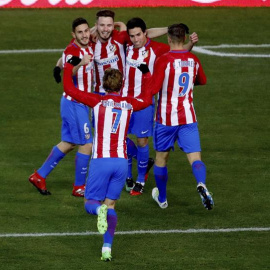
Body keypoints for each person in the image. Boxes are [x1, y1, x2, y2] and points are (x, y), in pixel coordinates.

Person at [63, 56, 153, 261]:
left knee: (90, 203)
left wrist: (69, 65)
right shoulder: (130, 103)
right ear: (122, 85)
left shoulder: (96, 100)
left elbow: (69, 88)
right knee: (111, 206)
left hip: (101, 161)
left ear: (103, 84)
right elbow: (148, 98)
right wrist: (146, 73)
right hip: (121, 163)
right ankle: (106, 249)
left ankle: (99, 210)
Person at [141, 23, 214, 210]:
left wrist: (146, 72)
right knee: (195, 158)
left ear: (168, 39)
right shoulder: (193, 60)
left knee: (161, 158)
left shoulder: (163, 61)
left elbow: (152, 89)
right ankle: (201, 183)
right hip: (188, 118)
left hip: (166, 120)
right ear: (184, 39)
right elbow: (202, 80)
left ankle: (163, 199)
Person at [122, 17, 198, 196]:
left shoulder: (157, 49)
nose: (135, 39)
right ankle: (128, 176)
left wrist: (190, 43)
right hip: (124, 102)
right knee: (121, 141)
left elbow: (180, 51)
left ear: (145, 33)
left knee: (142, 141)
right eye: (132, 36)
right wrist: (170, 27)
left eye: (138, 35)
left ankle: (140, 179)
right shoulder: (126, 46)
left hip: (145, 103)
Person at [29, 18, 94, 197]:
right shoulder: (73, 51)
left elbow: (62, 60)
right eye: (80, 32)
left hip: (74, 103)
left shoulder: (87, 44)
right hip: (75, 103)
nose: (84, 34)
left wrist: (55, 66)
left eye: (86, 31)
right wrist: (80, 63)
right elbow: (69, 70)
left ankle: (39, 176)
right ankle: (79, 187)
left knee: (70, 142)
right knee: (87, 144)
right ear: (73, 35)